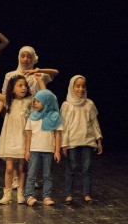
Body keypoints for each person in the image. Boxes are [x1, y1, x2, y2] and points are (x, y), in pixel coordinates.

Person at [0, 69, 34, 204]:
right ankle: (6, 194)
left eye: (25, 85)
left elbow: (43, 95)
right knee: (9, 168)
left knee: (21, 168)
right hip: (10, 137)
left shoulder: (29, 101)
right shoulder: (9, 100)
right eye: (20, 85)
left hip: (23, 138)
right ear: (12, 88)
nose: (23, 88)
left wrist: (40, 79)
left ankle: (20, 192)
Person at [61, 75, 102, 204]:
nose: (80, 89)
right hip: (72, 141)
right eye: (77, 86)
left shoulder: (89, 104)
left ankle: (87, 194)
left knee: (87, 168)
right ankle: (69, 194)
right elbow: (64, 125)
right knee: (71, 167)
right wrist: (63, 143)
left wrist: (98, 140)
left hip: (87, 141)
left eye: (83, 86)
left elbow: (94, 123)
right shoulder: (67, 105)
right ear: (72, 87)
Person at [24, 89, 62, 206]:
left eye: (38, 101)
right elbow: (29, 135)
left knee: (47, 175)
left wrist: (57, 151)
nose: (35, 103)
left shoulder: (55, 116)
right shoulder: (32, 116)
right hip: (34, 149)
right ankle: (29, 196)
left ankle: (47, 196)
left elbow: (57, 134)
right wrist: (27, 150)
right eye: (34, 101)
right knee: (31, 174)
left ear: (47, 102)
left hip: (48, 150)